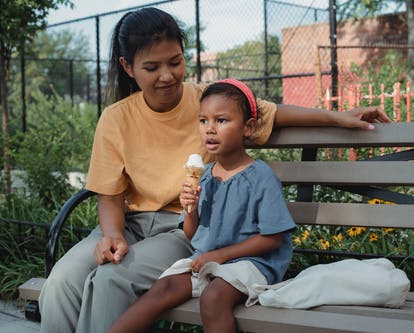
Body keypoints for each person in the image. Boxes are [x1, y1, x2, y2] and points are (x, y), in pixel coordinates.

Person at [38, 7, 390, 333]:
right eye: (152, 67)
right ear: (128, 67)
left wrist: (338, 116)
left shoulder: (210, 101)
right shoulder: (116, 118)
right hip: (128, 225)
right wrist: (111, 235)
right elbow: (109, 195)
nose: (167, 76)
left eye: (175, 62)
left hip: (182, 228)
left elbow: (271, 113)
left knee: (111, 279)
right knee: (60, 282)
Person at [108, 79, 297, 333]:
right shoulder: (205, 175)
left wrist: (219, 256)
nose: (210, 129)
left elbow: (273, 238)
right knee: (162, 289)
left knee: (214, 298)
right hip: (209, 260)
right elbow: (192, 234)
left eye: (221, 121)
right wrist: (191, 208)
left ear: (248, 127)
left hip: (253, 263)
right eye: (203, 120)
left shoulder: (260, 176)